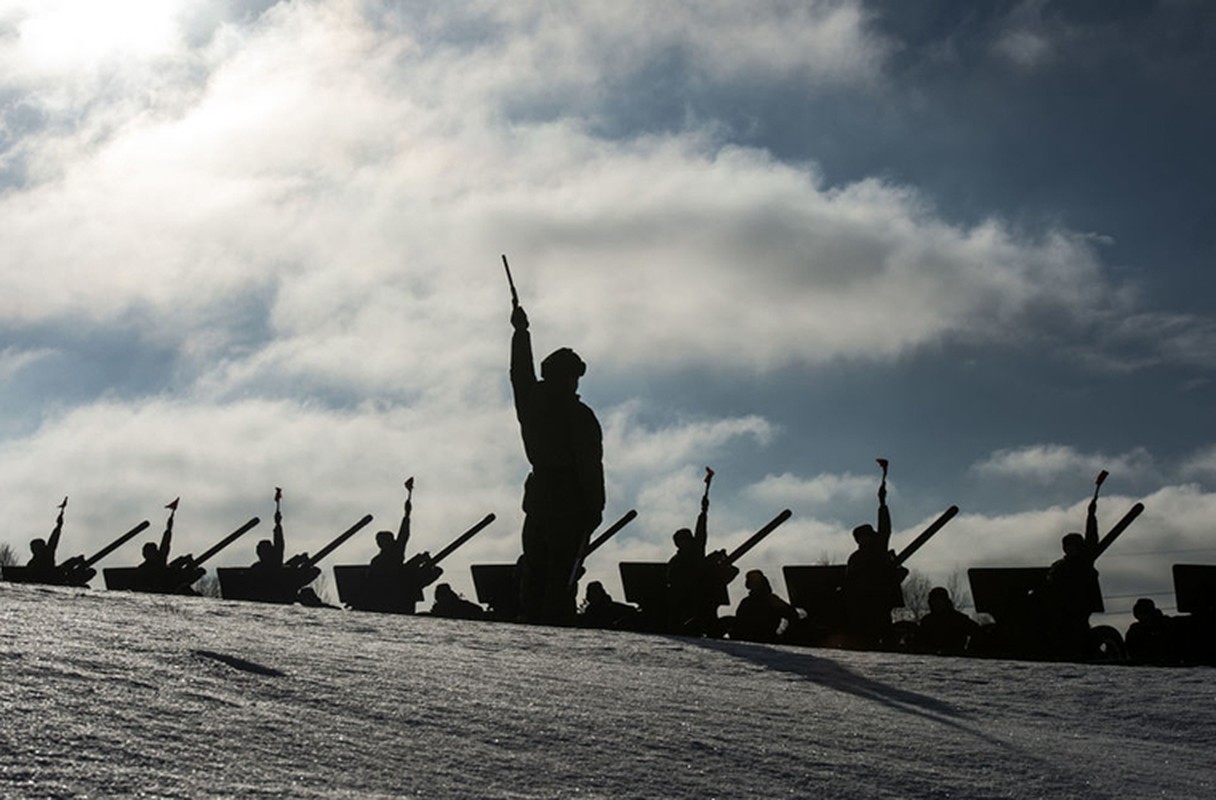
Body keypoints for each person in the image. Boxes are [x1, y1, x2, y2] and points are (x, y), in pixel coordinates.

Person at [510, 302, 604, 625]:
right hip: (569, 497)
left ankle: (533, 615)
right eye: (573, 376)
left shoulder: (532, 404)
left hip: (542, 495)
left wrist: (521, 333)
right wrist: (595, 507)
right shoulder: (579, 416)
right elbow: (590, 466)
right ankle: (550, 619)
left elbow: (520, 372)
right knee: (558, 567)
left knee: (538, 564)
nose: (575, 383)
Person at [842, 481, 906, 648]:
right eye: (861, 537)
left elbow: (885, 529)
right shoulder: (855, 557)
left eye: (867, 536)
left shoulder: (877, 549)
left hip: (878, 599)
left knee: (882, 631)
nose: (864, 539)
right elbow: (849, 579)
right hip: (859, 603)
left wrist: (882, 505)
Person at [1038, 495, 1101, 659]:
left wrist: (1091, 515)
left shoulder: (1083, 562)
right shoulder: (1059, 566)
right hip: (1058, 607)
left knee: (1077, 634)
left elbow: (1092, 537)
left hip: (1078, 607)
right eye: (1068, 547)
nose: (1070, 550)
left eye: (1074, 547)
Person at [666, 490, 734, 636]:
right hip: (683, 599)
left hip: (698, 597)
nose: (684, 543)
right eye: (680, 541)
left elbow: (701, 533)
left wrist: (703, 513)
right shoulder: (676, 560)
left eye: (686, 540)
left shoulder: (695, 553)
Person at [730, 570, 801, 643]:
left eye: (756, 580)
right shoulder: (746, 602)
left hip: (765, 639)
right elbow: (739, 622)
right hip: (747, 640)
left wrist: (784, 636)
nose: (754, 583)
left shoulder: (771, 600)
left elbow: (792, 615)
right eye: (752, 580)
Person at [915, 586, 981, 655]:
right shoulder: (927, 621)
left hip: (956, 659)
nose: (937, 603)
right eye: (934, 600)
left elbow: (977, 633)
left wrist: (969, 652)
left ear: (946, 601)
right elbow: (920, 641)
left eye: (940, 600)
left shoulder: (959, 619)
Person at [1125, 598, 1178, 666]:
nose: (1141, 617)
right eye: (1139, 615)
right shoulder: (1135, 631)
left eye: (1144, 613)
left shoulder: (1167, 625)